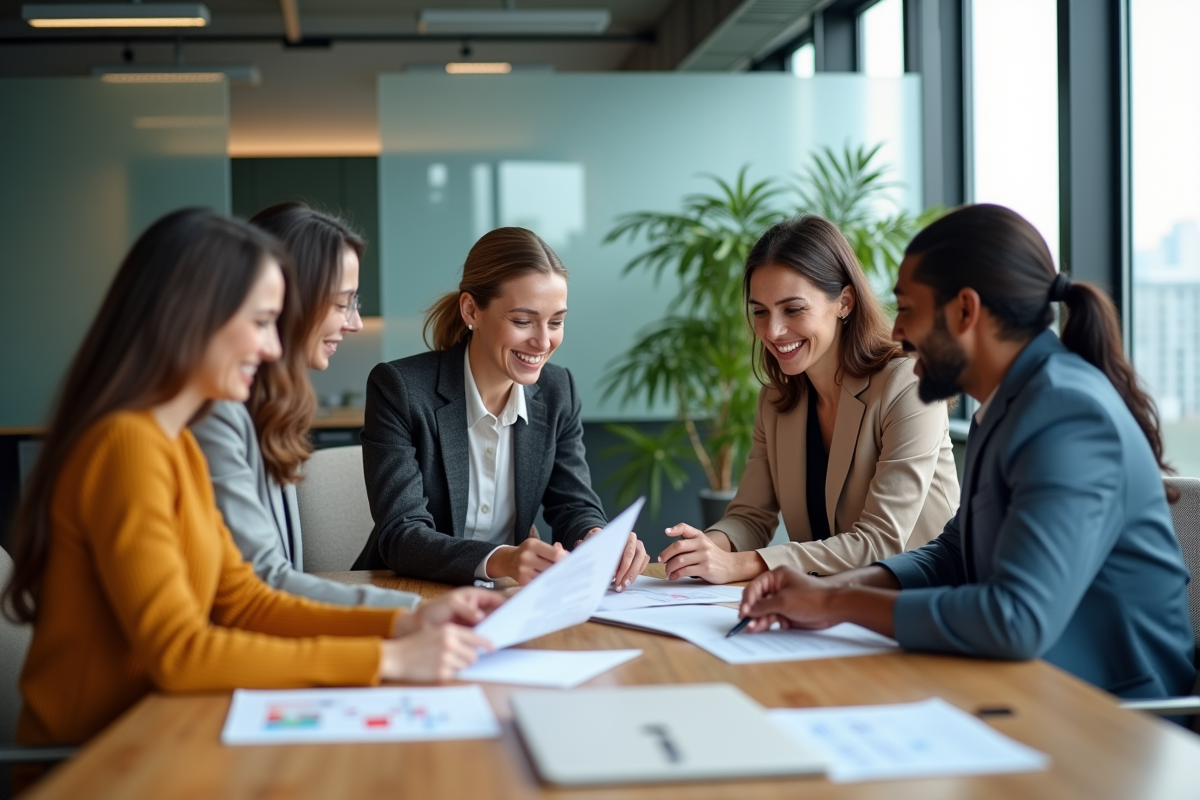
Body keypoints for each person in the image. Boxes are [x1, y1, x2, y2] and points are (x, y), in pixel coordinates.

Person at [3, 209, 503, 753]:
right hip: (105, 762)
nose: (271, 348)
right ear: (190, 318)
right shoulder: (126, 445)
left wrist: (408, 624)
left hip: (171, 733)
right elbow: (180, 654)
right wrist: (388, 658)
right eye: (262, 322)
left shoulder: (174, 443)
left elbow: (245, 600)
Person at [737, 204, 1197, 700]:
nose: (896, 333)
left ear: (964, 311)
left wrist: (838, 605)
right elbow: (955, 553)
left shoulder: (1066, 412)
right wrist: (831, 590)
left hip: (1119, 713)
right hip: (1035, 687)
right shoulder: (1007, 405)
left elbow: (1016, 618)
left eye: (908, 309)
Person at [658, 215, 960, 584]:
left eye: (793, 309)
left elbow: (881, 542)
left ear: (844, 302)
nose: (772, 331)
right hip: (826, 605)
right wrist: (707, 548)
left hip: (922, 603)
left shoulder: (908, 383)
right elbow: (751, 516)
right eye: (760, 312)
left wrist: (742, 565)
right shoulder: (776, 398)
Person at [353, 227, 649, 587]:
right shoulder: (400, 389)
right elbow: (402, 535)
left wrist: (597, 538)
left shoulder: (559, 391)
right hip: (409, 592)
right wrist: (501, 558)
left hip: (507, 599)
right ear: (471, 310)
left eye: (556, 321)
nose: (543, 341)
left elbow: (573, 505)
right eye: (523, 321)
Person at [191, 202, 420, 609]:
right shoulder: (215, 416)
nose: (355, 323)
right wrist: (412, 612)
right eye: (341, 303)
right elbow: (263, 585)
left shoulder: (268, 411)